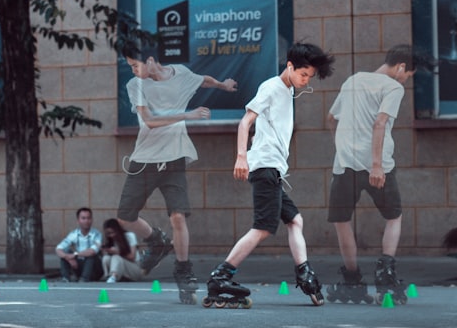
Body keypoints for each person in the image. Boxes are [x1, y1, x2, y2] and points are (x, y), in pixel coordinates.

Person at [202, 42, 335, 308]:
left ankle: (304, 272)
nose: (305, 81)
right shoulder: (272, 87)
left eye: (309, 77)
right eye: (303, 75)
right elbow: (245, 121)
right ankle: (221, 275)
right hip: (263, 168)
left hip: (273, 170)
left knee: (295, 221)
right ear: (289, 66)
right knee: (263, 228)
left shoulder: (287, 91)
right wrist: (241, 156)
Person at [117, 47, 237, 302]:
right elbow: (149, 120)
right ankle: (156, 241)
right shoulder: (135, 84)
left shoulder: (180, 73)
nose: (133, 71)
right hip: (145, 160)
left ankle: (184, 271)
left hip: (174, 159)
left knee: (178, 217)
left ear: (150, 59)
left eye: (135, 65)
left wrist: (223, 85)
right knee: (125, 218)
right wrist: (188, 115)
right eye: (130, 66)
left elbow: (202, 80)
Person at [325, 44, 432, 304]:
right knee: (394, 216)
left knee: (342, 221)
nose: (406, 80)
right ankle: (385, 275)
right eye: (409, 75)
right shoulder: (393, 87)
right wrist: (375, 165)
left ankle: (352, 280)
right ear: (401, 67)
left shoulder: (352, 81)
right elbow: (380, 122)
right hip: (378, 165)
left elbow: (330, 118)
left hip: (345, 164)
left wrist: (341, 148)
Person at [55, 207, 103, 282]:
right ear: (78, 220)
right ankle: (65, 278)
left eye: (89, 218)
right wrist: (68, 257)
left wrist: (75, 255)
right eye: (83, 218)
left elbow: (92, 251)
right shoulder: (74, 234)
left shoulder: (97, 234)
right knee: (66, 251)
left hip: (95, 269)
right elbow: (58, 249)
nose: (86, 221)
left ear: (92, 220)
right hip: (79, 266)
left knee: (90, 255)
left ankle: (84, 279)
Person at [100, 218, 142, 283]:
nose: (111, 235)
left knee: (116, 257)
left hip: (134, 268)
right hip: (121, 268)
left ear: (118, 230)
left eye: (112, 232)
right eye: (108, 233)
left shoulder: (129, 236)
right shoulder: (110, 240)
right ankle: (108, 276)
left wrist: (118, 252)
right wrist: (106, 251)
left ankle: (113, 277)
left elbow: (132, 257)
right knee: (106, 258)